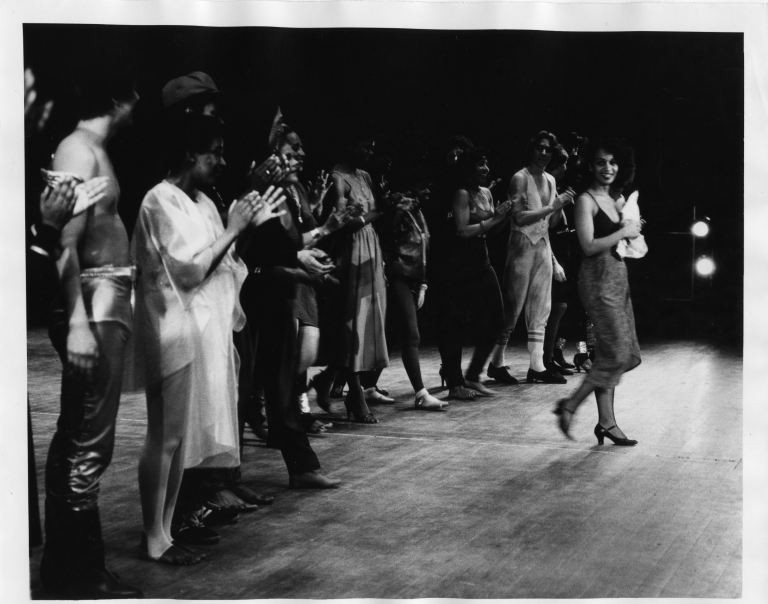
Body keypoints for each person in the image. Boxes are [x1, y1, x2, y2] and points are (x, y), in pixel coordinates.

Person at [132, 114, 284, 564]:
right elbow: (191, 270)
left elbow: (223, 263)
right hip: (171, 327)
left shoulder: (200, 201)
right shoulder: (159, 200)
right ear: (188, 154)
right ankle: (153, 536)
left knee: (178, 440)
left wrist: (246, 228)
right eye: (213, 151)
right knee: (165, 436)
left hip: (200, 330)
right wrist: (236, 227)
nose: (222, 160)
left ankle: (166, 530)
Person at [40, 66, 143, 599]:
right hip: (94, 304)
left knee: (80, 436)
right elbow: (63, 242)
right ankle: (79, 573)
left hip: (106, 301)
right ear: (121, 96)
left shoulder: (88, 148)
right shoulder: (78, 148)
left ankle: (71, 567)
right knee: (87, 441)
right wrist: (78, 323)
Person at [238, 113, 341, 489]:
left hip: (277, 299)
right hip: (253, 304)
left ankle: (301, 467)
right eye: (289, 150)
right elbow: (259, 262)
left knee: (283, 387)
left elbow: (287, 249)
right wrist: (305, 271)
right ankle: (226, 479)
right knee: (245, 390)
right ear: (269, 160)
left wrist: (306, 261)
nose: (299, 155)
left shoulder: (288, 200)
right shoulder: (259, 199)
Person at [553, 138, 642, 446]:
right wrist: (623, 231)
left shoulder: (616, 199)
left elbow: (625, 240)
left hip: (619, 275)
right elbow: (588, 246)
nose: (608, 168)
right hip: (597, 278)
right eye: (602, 162)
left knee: (625, 355)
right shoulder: (585, 201)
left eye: (613, 162)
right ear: (591, 165)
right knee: (616, 354)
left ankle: (606, 422)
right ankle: (570, 405)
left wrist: (632, 233)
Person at [489, 131, 575, 385]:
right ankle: (496, 362)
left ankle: (537, 366)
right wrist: (552, 207)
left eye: (549, 150)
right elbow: (518, 217)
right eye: (540, 148)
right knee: (513, 309)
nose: (544, 154)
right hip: (521, 245)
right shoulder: (520, 178)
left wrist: (559, 207)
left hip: (543, 246)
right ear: (532, 150)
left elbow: (552, 221)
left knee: (542, 307)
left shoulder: (550, 179)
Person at [317, 131, 390, 423]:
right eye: (365, 145)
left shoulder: (366, 176)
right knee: (354, 325)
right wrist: (378, 212)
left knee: (369, 323)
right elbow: (341, 223)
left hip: (370, 250)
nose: (370, 151)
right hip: (352, 253)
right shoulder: (338, 178)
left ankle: (328, 380)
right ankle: (355, 393)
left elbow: (372, 214)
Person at [436, 146, 511, 398]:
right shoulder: (461, 194)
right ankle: (456, 384)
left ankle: (472, 376)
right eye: (480, 164)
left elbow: (489, 232)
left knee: (499, 320)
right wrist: (493, 219)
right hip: (460, 266)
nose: (486, 169)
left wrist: (504, 217)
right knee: (456, 324)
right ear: (469, 168)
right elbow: (462, 231)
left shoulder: (487, 193)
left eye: (487, 163)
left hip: (483, 262)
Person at [381, 187, 448, 410]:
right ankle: (420, 394)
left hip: (412, 279)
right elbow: (384, 239)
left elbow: (423, 252)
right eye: (424, 187)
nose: (429, 192)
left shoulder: (419, 213)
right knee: (411, 335)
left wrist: (423, 284)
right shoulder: (399, 210)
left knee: (390, 334)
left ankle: (366, 385)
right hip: (396, 276)